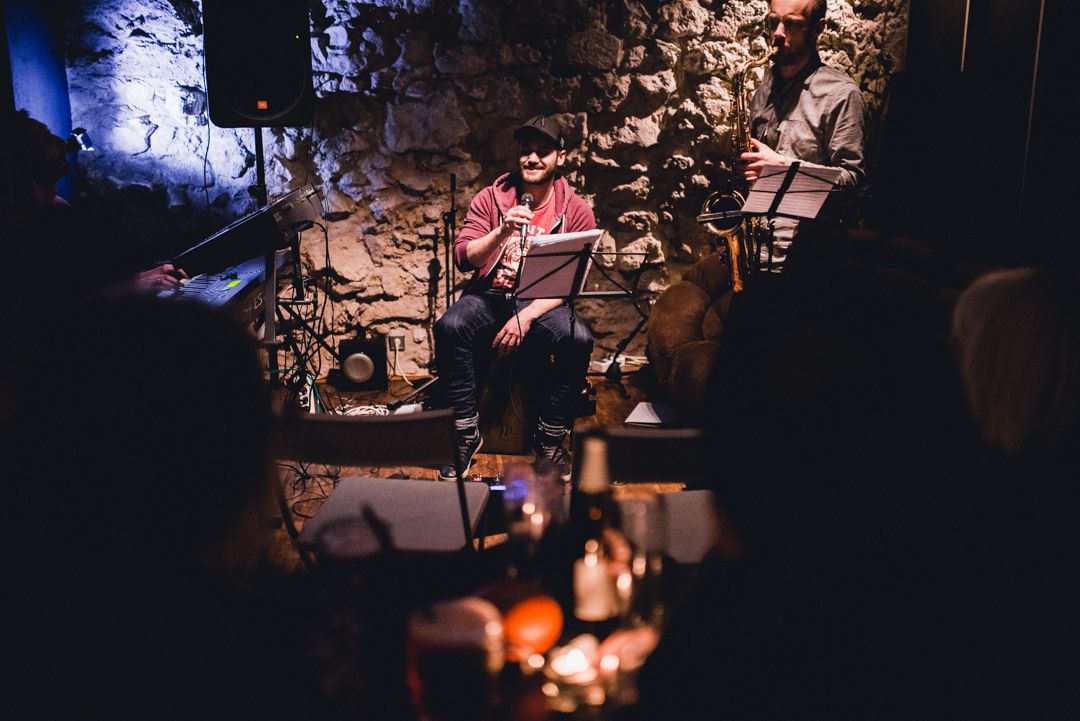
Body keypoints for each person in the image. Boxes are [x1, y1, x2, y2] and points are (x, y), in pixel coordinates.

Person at [435, 115, 596, 477]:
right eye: (526, 150)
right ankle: (465, 432)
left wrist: (527, 316)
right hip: (491, 294)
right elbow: (464, 258)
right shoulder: (491, 198)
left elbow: (572, 282)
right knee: (450, 326)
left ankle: (549, 439)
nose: (533, 159)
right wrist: (502, 230)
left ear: (560, 157)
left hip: (542, 301)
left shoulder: (576, 210)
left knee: (578, 339)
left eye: (543, 151)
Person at [736, 0, 867, 272]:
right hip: (756, 249)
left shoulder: (841, 94)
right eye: (773, 21)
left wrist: (781, 169)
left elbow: (852, 181)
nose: (778, 33)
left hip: (808, 258)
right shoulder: (765, 88)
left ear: (818, 28)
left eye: (792, 24)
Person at [2, 109, 186, 295]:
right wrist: (130, 287)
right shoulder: (15, 226)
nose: (60, 142)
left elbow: (78, 281)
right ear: (20, 156)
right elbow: (47, 301)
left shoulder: (58, 206)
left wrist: (139, 278)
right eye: (46, 140)